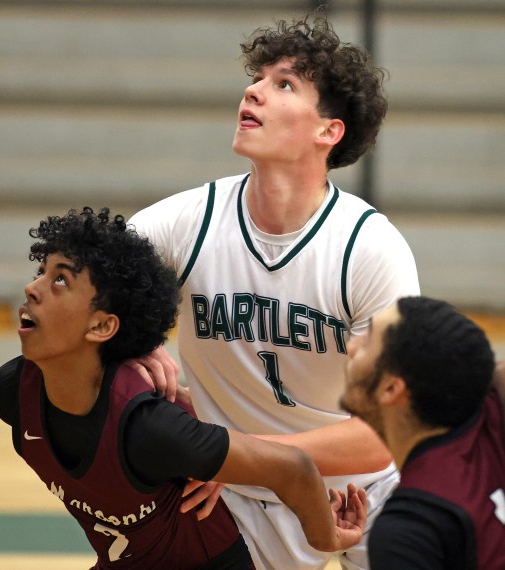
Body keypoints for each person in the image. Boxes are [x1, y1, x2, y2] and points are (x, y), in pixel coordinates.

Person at [127, 12, 419, 570]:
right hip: (243, 494)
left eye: (282, 84)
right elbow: (79, 273)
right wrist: (134, 342)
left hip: (372, 492)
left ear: (327, 131)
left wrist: (241, 455)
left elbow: (387, 432)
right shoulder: (193, 219)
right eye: (256, 78)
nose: (253, 90)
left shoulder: (369, 248)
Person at [0, 207, 368, 570]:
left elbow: (293, 467)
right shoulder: (12, 392)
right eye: (41, 271)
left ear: (102, 327)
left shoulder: (148, 428)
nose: (32, 287)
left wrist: (327, 538)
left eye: (60, 280)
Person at [340, 296, 505, 570]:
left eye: (367, 341)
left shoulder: (407, 530)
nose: (351, 347)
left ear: (391, 389)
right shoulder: (495, 415)